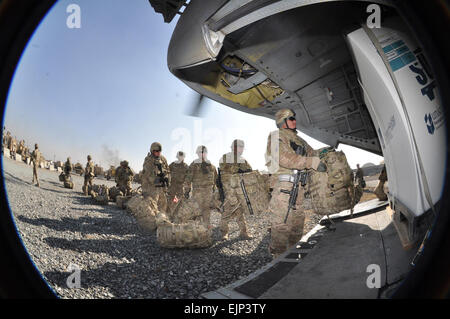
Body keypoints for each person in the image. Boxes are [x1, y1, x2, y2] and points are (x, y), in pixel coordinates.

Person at [265, 108, 324, 257]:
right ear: (282, 122)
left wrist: (325, 153)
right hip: (284, 188)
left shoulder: (300, 140)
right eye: (291, 118)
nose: (294, 121)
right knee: (281, 225)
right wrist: (312, 162)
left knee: (297, 225)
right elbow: (283, 157)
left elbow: (313, 153)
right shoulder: (276, 136)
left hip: (299, 188)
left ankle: (293, 251)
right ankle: (277, 257)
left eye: (294, 118)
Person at [218, 139, 253, 240]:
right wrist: (237, 169)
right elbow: (223, 167)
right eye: (239, 147)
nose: (241, 149)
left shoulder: (243, 160)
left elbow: (250, 170)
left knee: (240, 211)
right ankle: (224, 233)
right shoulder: (226, 157)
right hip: (229, 189)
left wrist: (248, 171)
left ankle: (243, 232)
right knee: (227, 210)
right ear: (233, 147)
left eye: (242, 147)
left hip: (239, 190)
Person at [185, 145, 218, 228]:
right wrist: (186, 191)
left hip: (208, 192)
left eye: (203, 152)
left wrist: (216, 191)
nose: (202, 154)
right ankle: (197, 230)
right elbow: (188, 179)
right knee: (197, 211)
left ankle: (206, 228)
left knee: (207, 210)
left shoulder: (211, 166)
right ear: (197, 153)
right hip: (197, 192)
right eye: (200, 152)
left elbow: (216, 180)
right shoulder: (194, 165)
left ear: (206, 153)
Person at [141, 142, 170, 213]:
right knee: (153, 207)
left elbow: (168, 171)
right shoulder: (148, 159)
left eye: (159, 151)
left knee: (163, 205)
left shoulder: (163, 159)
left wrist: (167, 179)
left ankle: (162, 220)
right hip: (151, 187)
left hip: (161, 187)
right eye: (156, 151)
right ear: (152, 151)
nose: (158, 153)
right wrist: (158, 179)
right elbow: (148, 174)